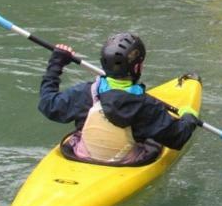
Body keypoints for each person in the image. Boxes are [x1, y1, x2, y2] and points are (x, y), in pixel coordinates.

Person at [38, 32, 200, 165]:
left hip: (80, 157)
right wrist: (189, 117)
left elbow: (47, 104)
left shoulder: (83, 93)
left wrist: (56, 62)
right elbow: (178, 137)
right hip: (125, 162)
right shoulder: (147, 107)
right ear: (137, 67)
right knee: (154, 141)